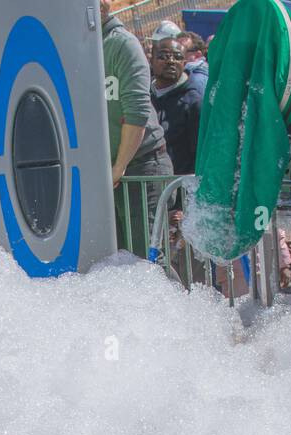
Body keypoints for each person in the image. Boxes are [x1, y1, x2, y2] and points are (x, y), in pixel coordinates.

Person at [100, 0, 173, 254]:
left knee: (147, 263)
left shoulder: (122, 43)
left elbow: (137, 112)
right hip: (109, 172)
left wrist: (118, 167)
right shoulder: (83, 47)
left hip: (141, 165)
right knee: (117, 264)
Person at [150, 35, 203, 177]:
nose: (171, 61)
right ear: (151, 61)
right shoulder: (140, 96)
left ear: (184, 63)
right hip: (145, 186)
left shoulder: (194, 103)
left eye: (178, 57)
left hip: (179, 188)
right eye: (163, 56)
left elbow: (199, 153)